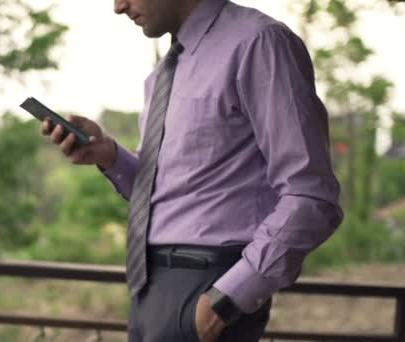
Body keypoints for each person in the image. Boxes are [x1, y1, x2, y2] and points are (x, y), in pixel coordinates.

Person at [40, 0, 343, 341]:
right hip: (148, 287)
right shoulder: (163, 73)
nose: (118, 6)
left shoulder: (259, 43)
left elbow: (312, 196)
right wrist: (108, 155)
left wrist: (224, 302)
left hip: (209, 287)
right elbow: (175, 193)